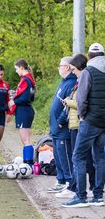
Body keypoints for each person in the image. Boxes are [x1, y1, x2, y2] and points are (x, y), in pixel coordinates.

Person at [63, 43, 105, 208]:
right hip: (103, 122)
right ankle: (98, 196)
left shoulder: (88, 71)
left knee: (78, 156)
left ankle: (81, 196)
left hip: (90, 121)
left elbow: (81, 99)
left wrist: (83, 115)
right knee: (100, 158)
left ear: (89, 57)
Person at [56, 54, 95, 199]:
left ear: (79, 67)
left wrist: (68, 101)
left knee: (81, 157)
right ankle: (81, 187)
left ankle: (80, 189)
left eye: (73, 69)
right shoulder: (79, 81)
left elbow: (81, 103)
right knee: (82, 157)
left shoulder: (83, 80)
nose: (72, 72)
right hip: (74, 124)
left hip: (79, 124)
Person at [47, 56, 77, 194]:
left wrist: (60, 121)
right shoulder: (63, 82)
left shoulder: (71, 83)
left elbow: (68, 104)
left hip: (62, 127)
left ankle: (70, 182)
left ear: (66, 67)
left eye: (60, 65)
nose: (58, 68)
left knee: (65, 155)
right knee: (58, 155)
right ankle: (60, 180)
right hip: (55, 128)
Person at [8, 59, 36, 166]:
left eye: (16, 69)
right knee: (25, 139)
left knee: (26, 140)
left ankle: (29, 164)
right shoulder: (30, 80)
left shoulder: (25, 80)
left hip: (24, 111)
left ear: (21, 68)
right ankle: (27, 162)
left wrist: (13, 101)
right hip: (26, 110)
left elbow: (25, 98)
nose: (16, 71)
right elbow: (31, 97)